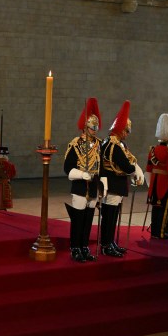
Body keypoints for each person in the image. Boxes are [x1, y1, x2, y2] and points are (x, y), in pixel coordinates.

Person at [100, 101, 145, 257]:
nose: (127, 134)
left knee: (113, 217)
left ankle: (110, 242)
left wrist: (135, 167)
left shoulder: (118, 143)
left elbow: (130, 159)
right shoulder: (113, 145)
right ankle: (106, 245)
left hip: (117, 184)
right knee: (109, 218)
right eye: (126, 130)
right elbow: (126, 165)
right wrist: (135, 170)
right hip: (112, 184)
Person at [63, 98, 103, 262]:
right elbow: (68, 168)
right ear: (85, 127)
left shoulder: (100, 145)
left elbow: (103, 168)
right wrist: (81, 174)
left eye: (96, 127)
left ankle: (84, 246)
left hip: (93, 186)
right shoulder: (75, 144)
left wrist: (103, 187)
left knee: (88, 219)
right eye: (92, 127)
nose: (94, 130)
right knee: (78, 219)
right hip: (80, 187)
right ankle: (75, 247)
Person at [0, 147, 16, 211]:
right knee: (4, 197)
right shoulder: (11, 165)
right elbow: (13, 175)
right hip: (5, 184)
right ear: (6, 156)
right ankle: (4, 208)